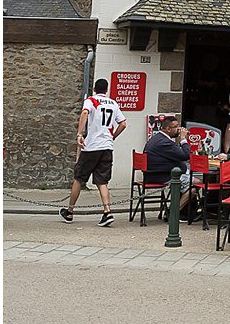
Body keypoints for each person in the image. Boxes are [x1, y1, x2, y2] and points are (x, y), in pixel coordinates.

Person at [63, 77, 128, 226]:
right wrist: (113, 136)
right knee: (102, 181)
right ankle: (107, 212)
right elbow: (123, 123)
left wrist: (80, 134)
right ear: (107, 90)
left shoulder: (91, 100)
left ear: (94, 89)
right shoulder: (113, 103)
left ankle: (70, 211)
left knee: (79, 178)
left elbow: (85, 113)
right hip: (107, 147)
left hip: (92, 146)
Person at [141, 114, 195, 216]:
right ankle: (173, 212)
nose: (179, 129)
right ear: (168, 129)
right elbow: (185, 155)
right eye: (176, 127)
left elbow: (176, 155)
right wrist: (183, 139)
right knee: (196, 184)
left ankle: (185, 212)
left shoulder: (158, 138)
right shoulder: (164, 142)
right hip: (161, 176)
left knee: (189, 178)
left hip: (155, 174)